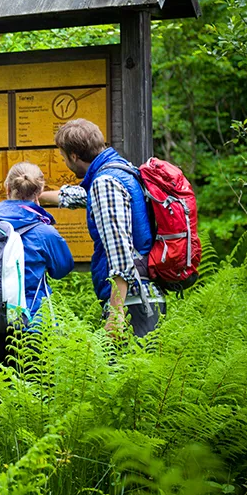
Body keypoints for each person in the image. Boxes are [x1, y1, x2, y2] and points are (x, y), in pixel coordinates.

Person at [40, 118, 165, 337]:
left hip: (132, 302)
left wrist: (116, 315)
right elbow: (86, 197)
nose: (64, 162)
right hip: (143, 294)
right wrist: (39, 197)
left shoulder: (104, 183)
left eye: (63, 157)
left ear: (74, 156)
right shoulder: (120, 170)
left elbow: (120, 253)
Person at [0, 162, 74, 365]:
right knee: (35, 394)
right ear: (40, 191)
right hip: (32, 327)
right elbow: (63, 268)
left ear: (7, 188)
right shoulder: (44, 233)